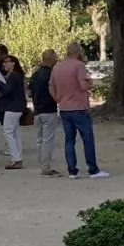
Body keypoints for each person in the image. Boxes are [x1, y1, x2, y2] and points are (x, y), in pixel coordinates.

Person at [50, 42, 110, 178]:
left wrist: (58, 99)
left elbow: (51, 86)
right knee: (87, 138)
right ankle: (93, 169)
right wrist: (90, 82)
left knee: (69, 140)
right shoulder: (79, 66)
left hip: (64, 107)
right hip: (79, 107)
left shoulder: (57, 67)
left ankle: (72, 170)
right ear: (78, 52)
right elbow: (83, 86)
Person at [28, 49, 61, 176]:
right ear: (51, 59)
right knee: (48, 139)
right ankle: (45, 166)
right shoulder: (52, 74)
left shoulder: (35, 74)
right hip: (49, 109)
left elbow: (29, 92)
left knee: (40, 139)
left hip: (37, 110)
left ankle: (42, 161)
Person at [0, 54, 27, 169]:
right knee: (15, 132)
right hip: (18, 106)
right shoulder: (17, 75)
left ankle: (15, 158)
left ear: (13, 63)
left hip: (12, 107)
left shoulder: (13, 76)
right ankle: (18, 157)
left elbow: (7, 91)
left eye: (7, 62)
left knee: (8, 132)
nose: (4, 64)